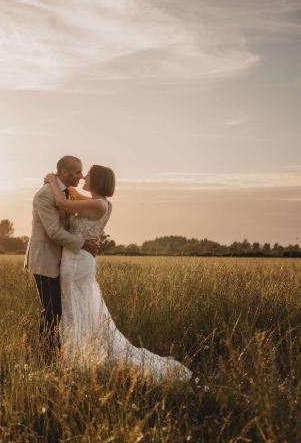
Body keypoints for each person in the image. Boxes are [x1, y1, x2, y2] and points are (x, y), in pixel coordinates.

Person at [44, 165, 192, 382]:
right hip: (77, 259)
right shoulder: (98, 202)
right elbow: (74, 194)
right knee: (78, 306)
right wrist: (62, 184)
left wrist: (51, 180)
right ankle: (77, 353)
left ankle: (78, 357)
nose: (84, 176)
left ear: (98, 180)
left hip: (77, 262)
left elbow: (62, 203)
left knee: (75, 307)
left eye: (89, 175)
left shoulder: (97, 205)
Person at [25, 156, 99, 363]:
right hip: (45, 259)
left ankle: (60, 352)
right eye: (77, 172)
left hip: (64, 259)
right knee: (52, 310)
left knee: (60, 309)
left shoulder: (67, 194)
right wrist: (83, 243)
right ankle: (47, 357)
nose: (80, 176)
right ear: (64, 172)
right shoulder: (45, 195)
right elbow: (54, 232)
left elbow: (73, 220)